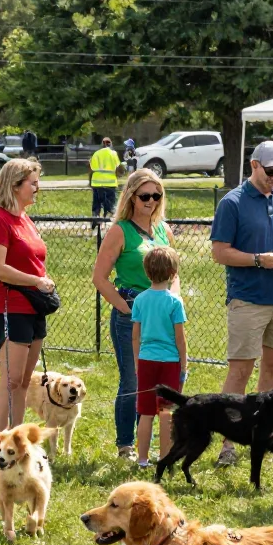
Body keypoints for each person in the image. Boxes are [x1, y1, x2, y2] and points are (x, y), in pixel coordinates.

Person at [210, 140, 273, 466]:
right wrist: (257, 260)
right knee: (240, 373)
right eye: (271, 171)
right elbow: (219, 252)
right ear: (254, 166)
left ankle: (264, 438)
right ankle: (227, 444)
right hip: (248, 299)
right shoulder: (232, 202)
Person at [92, 168, 177, 461]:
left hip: (163, 315)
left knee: (164, 379)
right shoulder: (120, 230)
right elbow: (100, 278)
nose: (151, 201)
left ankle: (159, 444)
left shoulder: (164, 230)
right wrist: (127, 308)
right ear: (131, 196)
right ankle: (126, 445)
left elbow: (174, 272)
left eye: (156, 195)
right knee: (133, 380)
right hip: (132, 312)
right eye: (145, 195)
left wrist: (173, 300)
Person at [0, 158, 53, 466]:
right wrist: (36, 280)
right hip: (10, 307)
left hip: (33, 306)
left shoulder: (25, 218)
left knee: (24, 381)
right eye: (32, 183)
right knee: (9, 381)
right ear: (14, 186)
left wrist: (40, 283)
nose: (37, 188)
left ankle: (17, 444)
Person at [131, 246, 187, 469]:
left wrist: (137, 362)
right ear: (173, 273)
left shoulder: (140, 300)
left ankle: (142, 460)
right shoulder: (175, 302)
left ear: (146, 272)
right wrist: (184, 364)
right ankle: (165, 458)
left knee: (145, 413)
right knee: (166, 413)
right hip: (170, 362)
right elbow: (180, 338)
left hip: (146, 361)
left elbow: (135, 336)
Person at [90, 137, 121, 216]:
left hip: (96, 183)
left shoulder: (96, 153)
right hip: (110, 183)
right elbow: (118, 166)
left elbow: (92, 167)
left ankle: (95, 217)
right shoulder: (113, 153)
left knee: (96, 203)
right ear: (110, 144)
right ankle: (109, 216)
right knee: (110, 203)